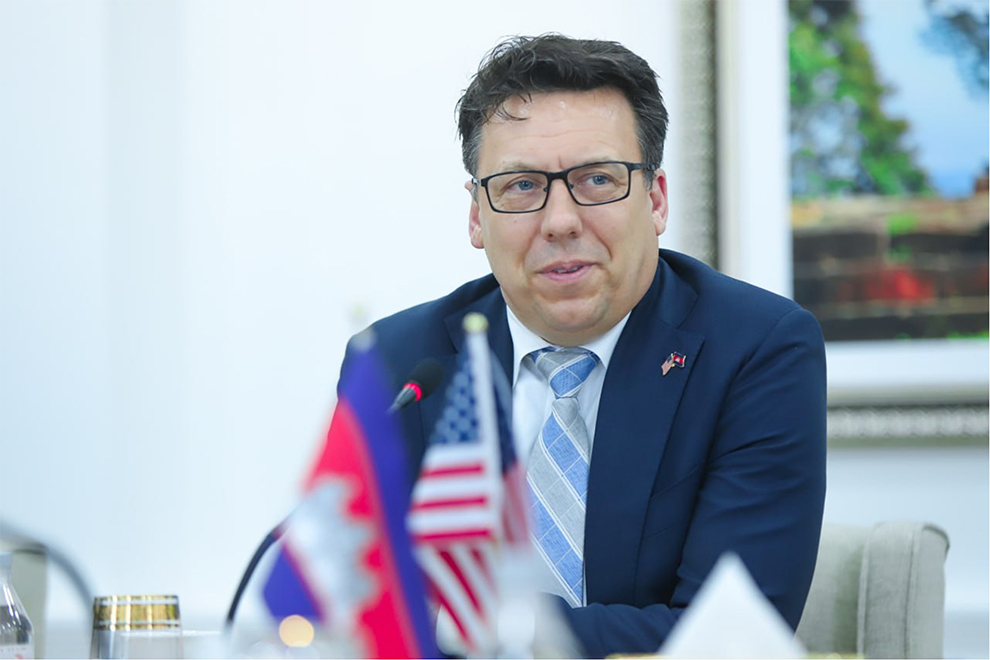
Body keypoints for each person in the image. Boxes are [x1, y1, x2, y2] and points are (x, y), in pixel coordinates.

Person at [341, 34, 827, 657]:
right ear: (477, 216)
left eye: (597, 180)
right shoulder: (399, 364)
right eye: (521, 185)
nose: (561, 221)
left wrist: (467, 623)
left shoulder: (755, 349)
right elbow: (355, 602)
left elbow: (726, 639)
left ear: (656, 200)